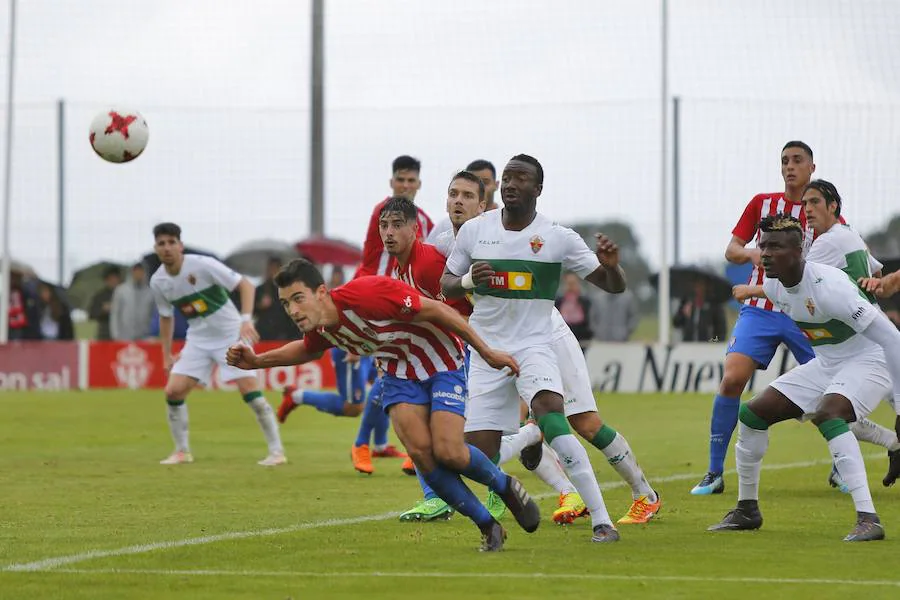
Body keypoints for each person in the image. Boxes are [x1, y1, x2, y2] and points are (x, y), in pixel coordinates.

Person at [227, 259, 540, 552]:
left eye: (298, 298)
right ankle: (487, 525)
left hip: (440, 360)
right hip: (398, 375)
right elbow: (307, 350)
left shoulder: (367, 294)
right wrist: (256, 361)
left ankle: (504, 485)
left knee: (449, 451)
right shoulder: (321, 326)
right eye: (285, 303)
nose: (292, 310)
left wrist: (486, 351)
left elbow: (438, 310)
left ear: (321, 292)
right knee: (421, 454)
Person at [442, 154, 632, 543]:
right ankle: (528, 438)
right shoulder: (476, 231)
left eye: (521, 179)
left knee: (551, 412)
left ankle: (602, 521)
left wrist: (612, 266)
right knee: (478, 455)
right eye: (507, 178)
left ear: (538, 189)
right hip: (485, 350)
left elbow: (613, 286)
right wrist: (466, 280)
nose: (511, 184)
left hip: (535, 344)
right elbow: (445, 285)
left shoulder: (558, 237)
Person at [708, 213, 900, 541]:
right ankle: (747, 509)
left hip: (871, 358)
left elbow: (892, 339)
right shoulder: (772, 283)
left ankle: (868, 518)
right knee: (752, 414)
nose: (764, 254)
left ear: (799, 250)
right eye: (762, 245)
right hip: (827, 361)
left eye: (775, 247)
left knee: (829, 414)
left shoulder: (832, 288)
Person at [735, 180, 900, 489]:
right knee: (828, 409)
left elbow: (798, 280)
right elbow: (874, 274)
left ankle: (863, 490)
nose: (807, 209)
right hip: (861, 332)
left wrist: (750, 290)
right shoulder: (850, 235)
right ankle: (886, 447)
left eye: (814, 203)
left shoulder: (825, 245)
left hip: (863, 340)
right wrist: (873, 288)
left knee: (832, 411)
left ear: (833, 206)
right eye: (805, 204)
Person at [691, 141, 820, 495]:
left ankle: (841, 466)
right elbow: (731, 250)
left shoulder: (820, 209)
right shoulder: (762, 203)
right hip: (759, 310)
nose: (789, 166)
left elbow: (840, 248)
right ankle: (714, 473)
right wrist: (749, 253)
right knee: (732, 379)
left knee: (831, 388)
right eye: (784, 161)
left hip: (804, 313)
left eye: (797, 161)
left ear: (811, 167)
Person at [148, 222, 286, 467]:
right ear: (156, 248)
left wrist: (245, 320)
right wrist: (166, 354)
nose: (167, 248)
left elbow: (245, 285)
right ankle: (182, 451)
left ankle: (277, 452)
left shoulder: (202, 265)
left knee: (251, 394)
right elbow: (166, 317)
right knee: (173, 391)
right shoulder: (158, 282)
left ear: (180, 245)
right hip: (198, 339)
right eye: (162, 243)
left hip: (230, 334)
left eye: (171, 242)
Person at [349, 155, 434, 476]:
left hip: (406, 302)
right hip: (377, 299)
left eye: (411, 181)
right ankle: (362, 443)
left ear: (419, 184)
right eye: (401, 179)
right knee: (390, 374)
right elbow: (369, 258)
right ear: (392, 182)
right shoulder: (381, 213)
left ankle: (404, 446)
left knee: (401, 373)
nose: (406, 185)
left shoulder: (423, 220)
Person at [427, 159, 499, 244]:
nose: (458, 200)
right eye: (453, 194)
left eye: (468, 195)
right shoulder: (442, 233)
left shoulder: (503, 224)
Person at [253, 257, 297, 341]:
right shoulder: (260, 289)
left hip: (283, 334)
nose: (273, 271)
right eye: (271, 268)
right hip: (264, 334)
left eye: (276, 268)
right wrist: (260, 306)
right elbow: (252, 311)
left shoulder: (287, 289)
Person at [672, 277, 727, 342]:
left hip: (707, 348)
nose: (697, 289)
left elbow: (721, 333)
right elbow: (676, 323)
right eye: (695, 285)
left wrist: (711, 343)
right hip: (688, 347)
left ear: (706, 287)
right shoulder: (686, 302)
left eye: (700, 285)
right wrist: (682, 313)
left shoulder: (715, 306)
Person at [111, 263, 155, 340]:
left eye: (141, 271)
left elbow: (153, 314)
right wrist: (115, 334)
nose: (138, 274)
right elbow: (115, 314)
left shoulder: (150, 292)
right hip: (124, 337)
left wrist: (152, 334)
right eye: (136, 271)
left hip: (145, 336)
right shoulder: (121, 290)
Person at [555, 272, 593, 351]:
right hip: (563, 338)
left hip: (581, 338)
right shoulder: (559, 301)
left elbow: (590, 319)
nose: (571, 286)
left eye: (573, 283)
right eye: (568, 283)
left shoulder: (585, 301)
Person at [89, 266, 122, 340]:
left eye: (115, 278)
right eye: (110, 279)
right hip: (105, 334)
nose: (113, 281)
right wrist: (103, 310)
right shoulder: (100, 296)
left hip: (122, 333)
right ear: (106, 280)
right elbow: (92, 314)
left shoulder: (125, 295)